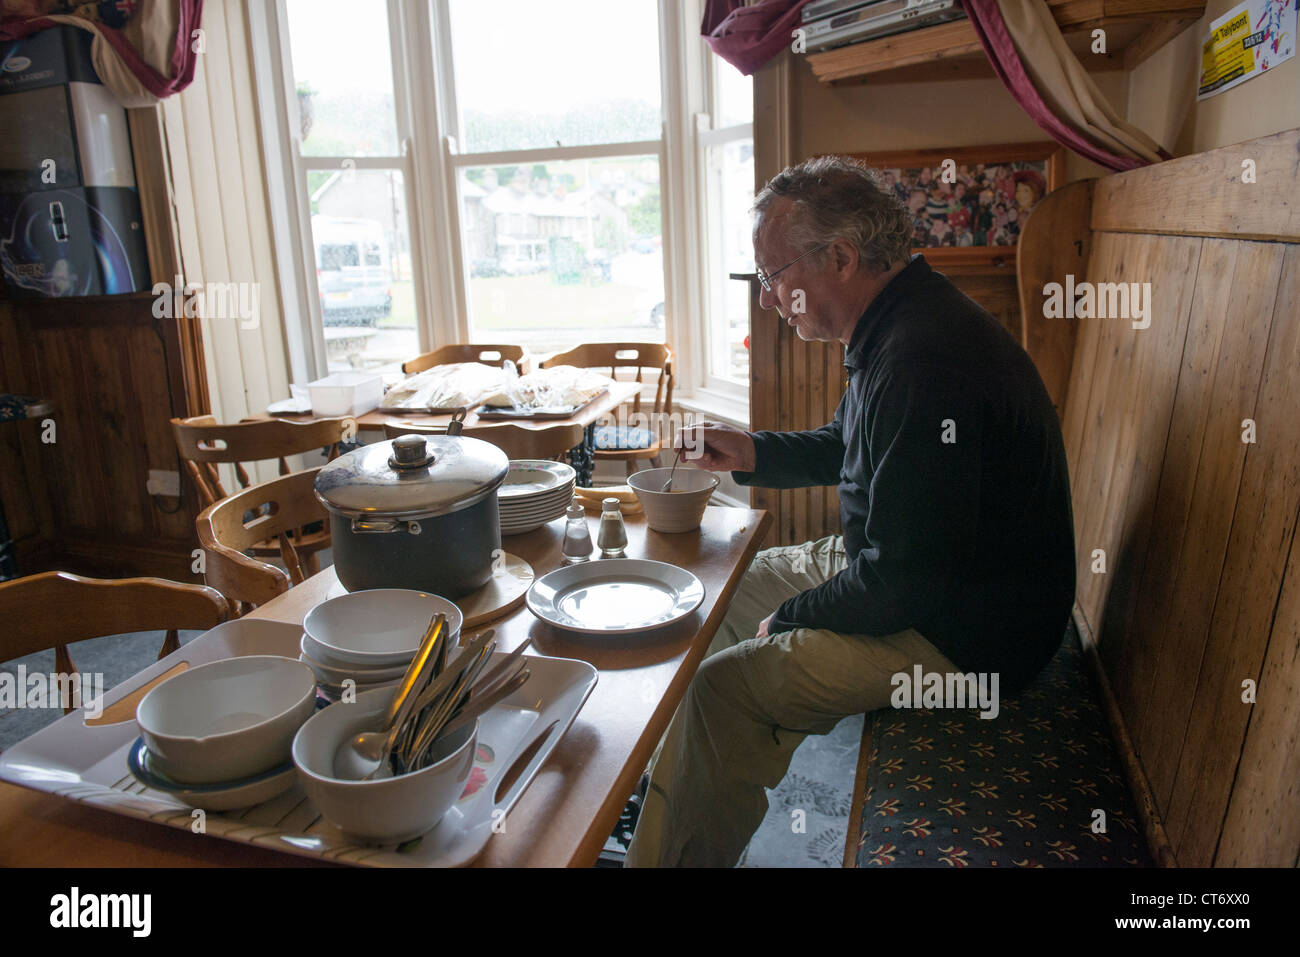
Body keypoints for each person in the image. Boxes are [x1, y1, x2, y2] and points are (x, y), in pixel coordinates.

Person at [623, 155, 1075, 868]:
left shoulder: (922, 363)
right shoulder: (901, 318)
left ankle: (671, 854)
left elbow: (902, 585)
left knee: (726, 691)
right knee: (727, 589)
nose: (768, 300)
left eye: (774, 277)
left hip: (969, 638)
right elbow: (847, 444)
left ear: (839, 256)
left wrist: (797, 616)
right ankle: (669, 794)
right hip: (924, 578)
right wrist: (750, 451)